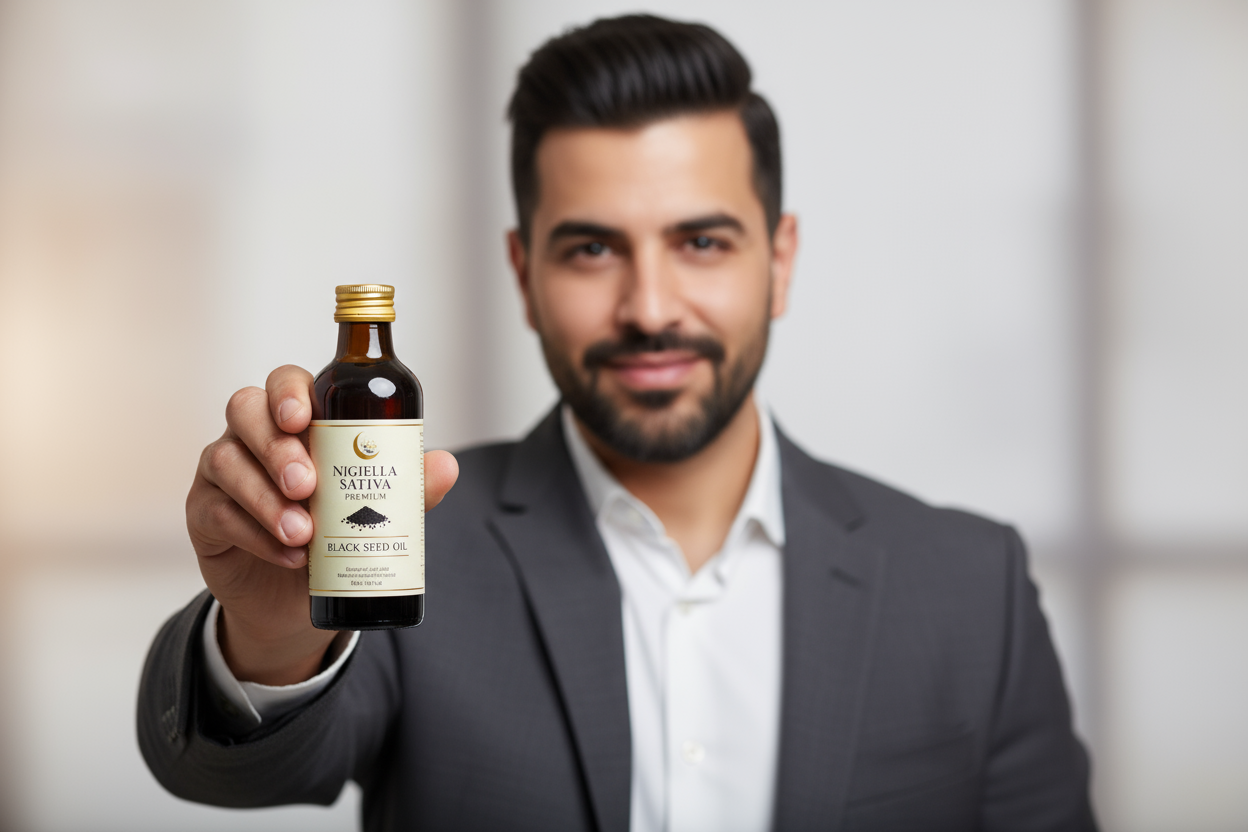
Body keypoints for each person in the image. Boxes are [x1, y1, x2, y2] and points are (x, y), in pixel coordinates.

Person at [138, 14, 1096, 832]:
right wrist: (268, 637)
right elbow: (236, 772)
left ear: (782, 259)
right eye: (593, 247)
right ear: (524, 274)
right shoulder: (405, 540)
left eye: (702, 242)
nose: (649, 306)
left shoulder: (974, 591)